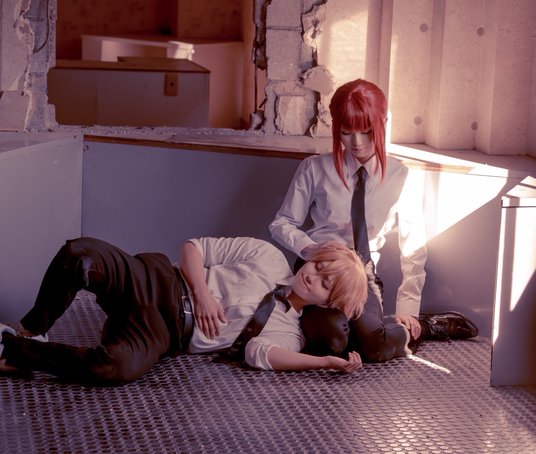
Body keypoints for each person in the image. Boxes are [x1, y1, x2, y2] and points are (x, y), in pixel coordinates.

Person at [269, 79, 478, 362]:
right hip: (318, 269)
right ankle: (366, 330)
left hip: (362, 272)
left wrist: (408, 309)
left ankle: (427, 327)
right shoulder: (314, 168)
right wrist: (312, 250)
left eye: (366, 132)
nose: (356, 143)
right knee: (332, 339)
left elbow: (413, 246)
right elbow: (281, 223)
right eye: (346, 133)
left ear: (383, 122)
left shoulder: (400, 176)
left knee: (374, 347)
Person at [0, 236, 367, 384]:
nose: (312, 276)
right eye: (318, 265)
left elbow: (258, 355)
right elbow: (194, 248)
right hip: (158, 281)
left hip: (166, 332)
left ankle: (13, 350)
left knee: (114, 368)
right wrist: (202, 294)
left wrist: (325, 362)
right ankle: (32, 330)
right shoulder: (268, 255)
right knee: (80, 255)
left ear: (328, 303)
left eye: (324, 283)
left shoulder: (290, 334)